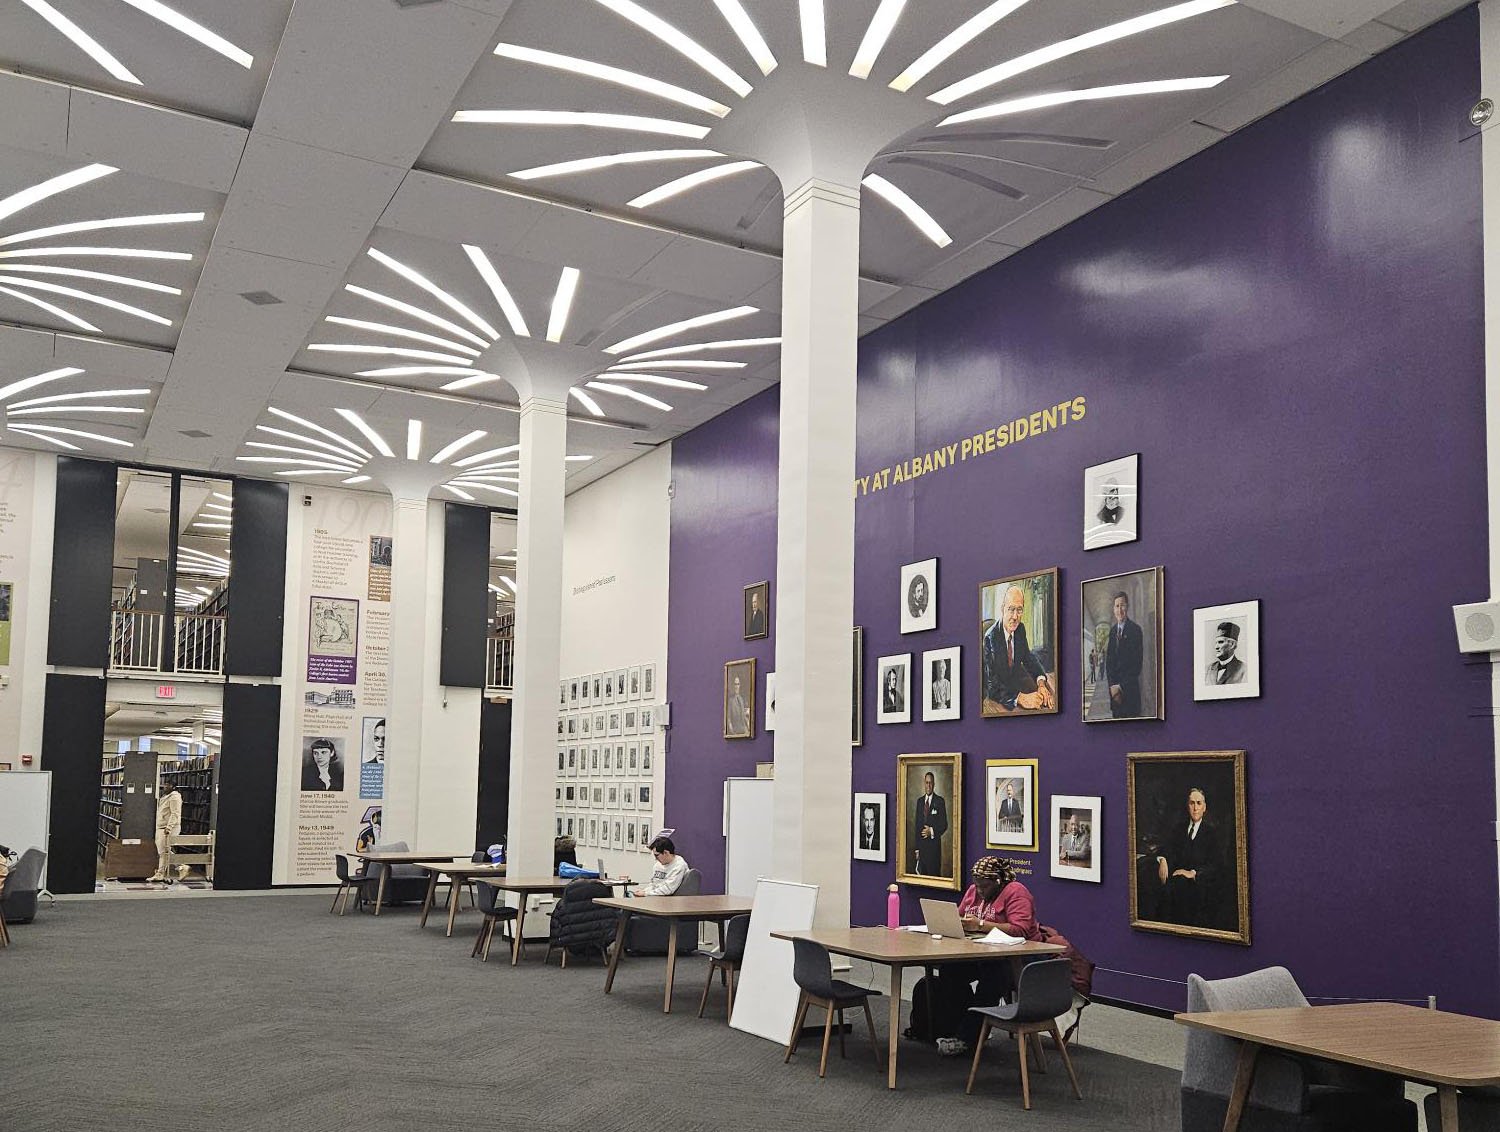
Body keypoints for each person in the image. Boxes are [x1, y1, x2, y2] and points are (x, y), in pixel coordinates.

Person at [935, 857, 1041, 1056]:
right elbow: (959, 917)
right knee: (950, 971)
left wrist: (981, 925)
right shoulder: (974, 891)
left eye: (985, 886)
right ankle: (969, 1026)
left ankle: (968, 1038)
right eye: (977, 886)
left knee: (993, 978)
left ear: (998, 881)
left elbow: (1021, 930)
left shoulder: (1016, 892)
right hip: (982, 953)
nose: (980, 891)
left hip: (1018, 957)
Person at [1139, 787, 1221, 927]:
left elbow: (1216, 865)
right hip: (1176, 883)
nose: (1195, 808)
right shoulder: (1178, 829)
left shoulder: (1211, 834)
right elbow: (1167, 850)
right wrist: (1162, 859)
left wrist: (1192, 873)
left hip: (1199, 887)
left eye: (1199, 803)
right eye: (1192, 803)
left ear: (1204, 807)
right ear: (1187, 805)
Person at [981, 584, 1055, 711]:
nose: (1015, 617)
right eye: (1011, 609)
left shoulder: (1020, 629)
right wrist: (1020, 698)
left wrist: (1041, 683)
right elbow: (992, 685)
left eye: (1019, 610)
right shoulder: (990, 638)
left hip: (1015, 682)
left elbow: (1028, 658)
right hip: (996, 695)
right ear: (1002, 609)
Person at [1105, 590, 1144, 718]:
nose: (1119, 609)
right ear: (1113, 609)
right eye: (1117, 606)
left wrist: (1120, 687)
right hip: (1115, 696)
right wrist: (1112, 687)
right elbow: (1109, 663)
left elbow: (1136, 665)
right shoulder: (1112, 632)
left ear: (1127, 607)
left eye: (1122, 605)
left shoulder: (1135, 630)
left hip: (1130, 693)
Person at [912, 771, 947, 876]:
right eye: (927, 783)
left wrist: (931, 831)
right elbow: (917, 827)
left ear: (934, 784)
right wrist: (917, 849)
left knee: (934, 877)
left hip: (934, 851)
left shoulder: (940, 801)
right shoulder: (919, 802)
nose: (928, 785)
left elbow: (944, 825)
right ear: (924, 784)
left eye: (931, 783)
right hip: (922, 851)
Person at [148, 782, 182, 884]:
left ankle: (160, 873)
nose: (165, 787)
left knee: (163, 852)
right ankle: (181, 867)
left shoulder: (175, 797)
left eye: (168, 785)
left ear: (174, 787)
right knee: (163, 851)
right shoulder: (166, 796)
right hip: (161, 827)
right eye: (165, 785)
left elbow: (175, 813)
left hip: (167, 828)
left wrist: (169, 827)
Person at [1205, 621, 1245, 685]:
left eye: (1220, 642)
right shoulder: (1207, 669)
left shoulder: (1244, 669)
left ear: (1232, 644)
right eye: (1216, 643)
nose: (1216, 647)